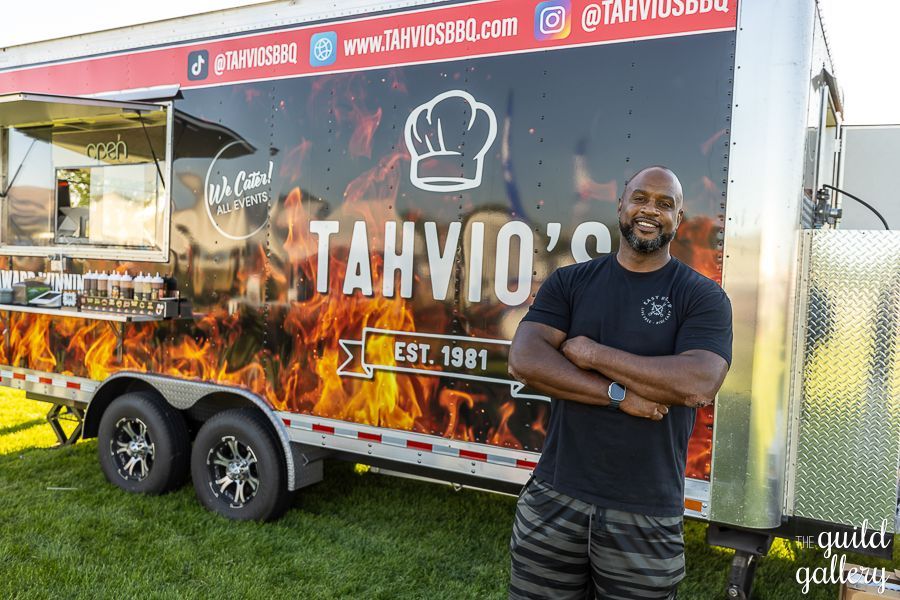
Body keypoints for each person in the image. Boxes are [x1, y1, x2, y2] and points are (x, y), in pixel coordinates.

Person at [506, 166, 733, 599]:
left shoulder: (700, 296)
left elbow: (698, 382)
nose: (650, 210)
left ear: (678, 220)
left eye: (665, 204)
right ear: (621, 207)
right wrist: (618, 396)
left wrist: (593, 354)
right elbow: (526, 359)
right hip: (555, 498)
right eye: (641, 198)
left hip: (645, 513)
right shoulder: (571, 282)